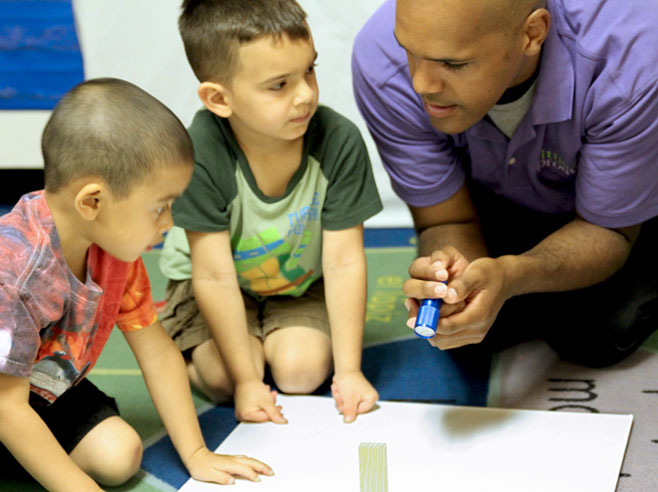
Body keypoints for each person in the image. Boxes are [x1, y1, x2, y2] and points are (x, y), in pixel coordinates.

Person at [0, 78, 272, 492]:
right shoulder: (13, 273)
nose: (169, 223)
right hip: (6, 396)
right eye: (159, 207)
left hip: (38, 387)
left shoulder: (113, 250)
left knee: (118, 455)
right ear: (92, 201)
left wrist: (197, 454)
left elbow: (159, 352)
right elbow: (6, 405)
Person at [352, 0, 658, 367]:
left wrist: (514, 275)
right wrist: (455, 284)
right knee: (465, 335)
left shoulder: (632, 65)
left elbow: (609, 229)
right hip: (497, 193)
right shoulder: (380, 59)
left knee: (596, 335)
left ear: (533, 34)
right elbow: (446, 220)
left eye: (453, 63)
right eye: (409, 51)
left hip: (617, 210)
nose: (420, 84)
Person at [159, 0, 382, 424]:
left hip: (299, 281)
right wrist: (246, 382)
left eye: (309, 71)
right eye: (279, 85)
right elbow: (213, 275)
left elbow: (343, 260)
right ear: (219, 99)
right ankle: (179, 353)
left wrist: (350, 371)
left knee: (301, 372)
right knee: (224, 379)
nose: (305, 94)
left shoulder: (338, 141)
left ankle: (265, 343)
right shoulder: (200, 152)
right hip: (212, 282)